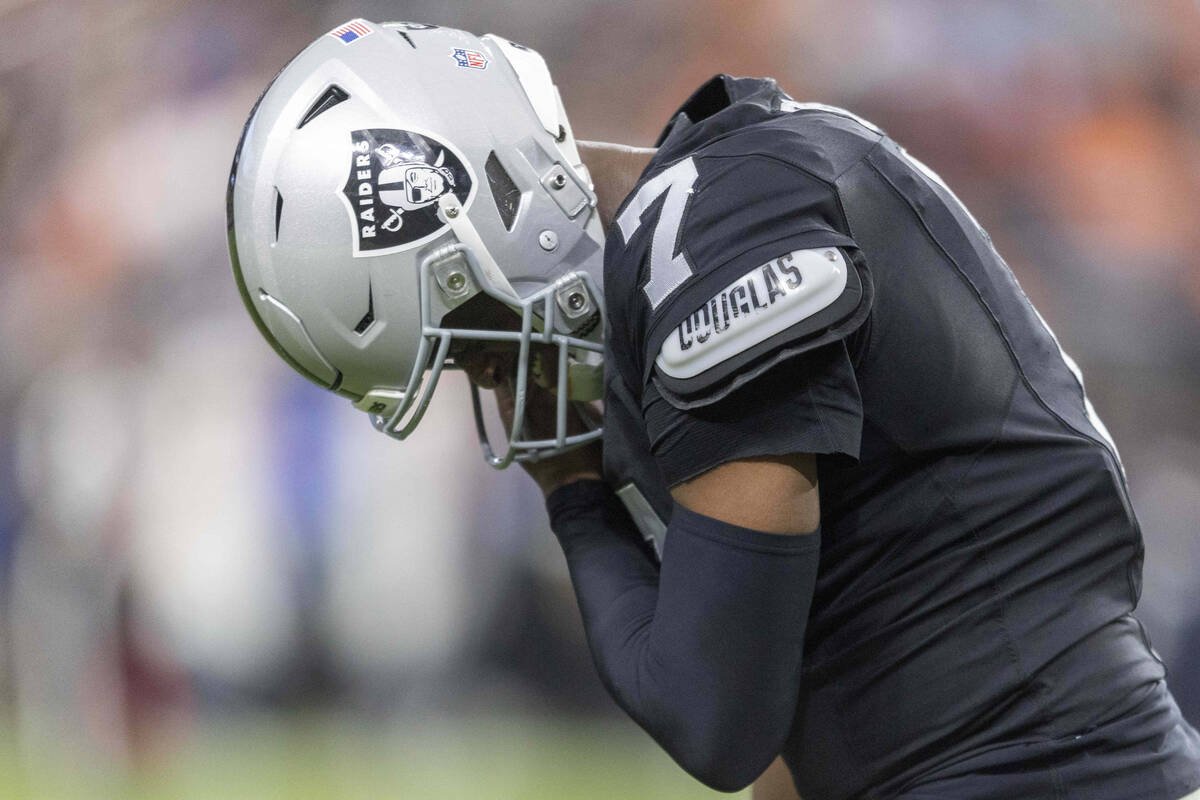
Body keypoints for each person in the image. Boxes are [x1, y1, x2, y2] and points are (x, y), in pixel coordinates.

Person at [226, 20, 1200, 799]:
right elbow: (789, 736)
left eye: (471, 340)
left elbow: (715, 717)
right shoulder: (675, 257)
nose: (493, 383)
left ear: (497, 201)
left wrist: (573, 494)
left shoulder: (726, 223)